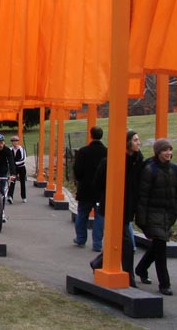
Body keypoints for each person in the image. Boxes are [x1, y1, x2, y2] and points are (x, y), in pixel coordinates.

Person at [91, 130, 144, 288]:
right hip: (114, 206)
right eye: (135, 140)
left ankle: (97, 262)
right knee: (126, 241)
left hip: (128, 206)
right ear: (127, 142)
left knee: (119, 239)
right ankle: (129, 276)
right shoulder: (110, 161)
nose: (138, 143)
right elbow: (98, 183)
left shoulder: (138, 161)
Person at [135, 138, 177, 295]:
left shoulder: (174, 170)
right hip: (153, 213)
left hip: (168, 214)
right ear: (158, 152)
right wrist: (142, 220)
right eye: (165, 150)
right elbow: (143, 196)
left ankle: (141, 268)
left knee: (158, 246)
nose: (168, 153)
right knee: (161, 249)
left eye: (170, 150)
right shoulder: (149, 170)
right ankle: (164, 283)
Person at [73, 126, 107, 251]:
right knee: (100, 216)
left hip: (85, 188)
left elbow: (77, 169)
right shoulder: (107, 152)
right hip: (101, 190)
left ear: (90, 135)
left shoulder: (83, 151)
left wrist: (79, 179)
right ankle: (97, 243)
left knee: (82, 214)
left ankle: (81, 238)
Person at [7, 136, 27, 203]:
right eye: (13, 141)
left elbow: (23, 159)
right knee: (12, 181)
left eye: (16, 141)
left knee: (22, 182)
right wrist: (11, 165)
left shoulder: (21, 149)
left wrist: (14, 163)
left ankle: (24, 197)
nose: (14, 142)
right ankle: (10, 196)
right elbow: (8, 158)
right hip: (14, 168)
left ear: (18, 142)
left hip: (21, 167)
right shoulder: (10, 149)